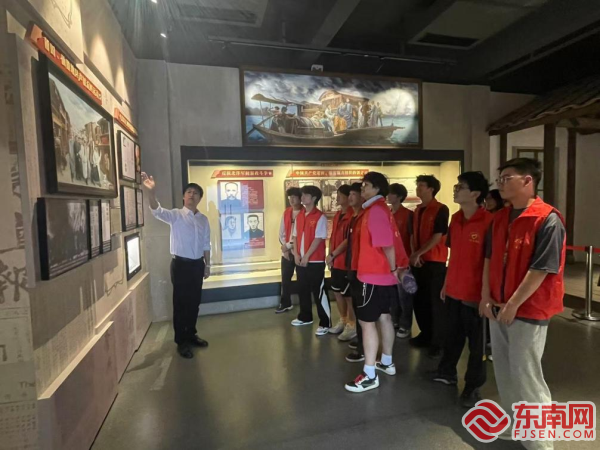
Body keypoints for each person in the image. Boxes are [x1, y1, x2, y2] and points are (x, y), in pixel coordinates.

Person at [481, 158, 565, 448]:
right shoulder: (499, 218)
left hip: (528, 309)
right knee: (505, 371)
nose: (501, 184)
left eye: (507, 178)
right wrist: (485, 296)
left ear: (528, 181)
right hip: (498, 305)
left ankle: (540, 440)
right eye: (500, 179)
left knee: (526, 373)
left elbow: (541, 269)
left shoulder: (547, 219)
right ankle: (515, 422)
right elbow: (489, 259)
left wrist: (514, 304)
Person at [431, 172, 492, 408]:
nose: (456, 189)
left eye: (461, 186)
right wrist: (446, 283)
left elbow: (491, 261)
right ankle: (446, 372)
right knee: (452, 335)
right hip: (454, 288)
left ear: (475, 194)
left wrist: (486, 295)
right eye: (456, 185)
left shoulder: (489, 222)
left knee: (477, 344)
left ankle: (473, 385)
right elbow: (453, 254)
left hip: (475, 294)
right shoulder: (456, 219)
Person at [345, 172, 409, 393]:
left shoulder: (375, 211)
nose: (362, 189)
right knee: (384, 317)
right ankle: (387, 362)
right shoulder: (378, 209)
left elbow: (387, 244)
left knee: (367, 323)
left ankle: (370, 374)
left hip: (372, 276)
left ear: (378, 188)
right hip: (380, 276)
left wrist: (392, 269)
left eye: (366, 185)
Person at [142, 172, 211, 359]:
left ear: (200, 198)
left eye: (195, 193)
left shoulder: (203, 219)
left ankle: (191, 334)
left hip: (197, 265)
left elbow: (206, 243)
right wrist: (151, 193)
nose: (192, 195)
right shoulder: (175, 215)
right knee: (181, 304)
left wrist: (207, 265)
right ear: (183, 197)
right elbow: (157, 211)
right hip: (181, 265)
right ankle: (181, 341)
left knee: (194, 303)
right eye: (189, 192)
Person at [409, 175, 449, 359]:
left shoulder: (440, 209)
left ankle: (438, 342)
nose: (418, 188)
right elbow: (412, 234)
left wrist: (419, 253)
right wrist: (414, 254)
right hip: (418, 262)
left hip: (434, 262)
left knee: (435, 303)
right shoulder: (417, 210)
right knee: (419, 301)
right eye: (417, 185)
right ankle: (425, 334)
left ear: (431, 189)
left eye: (422, 185)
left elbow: (438, 235)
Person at [291, 185, 332, 335]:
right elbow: (295, 236)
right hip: (300, 259)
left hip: (315, 261)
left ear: (314, 198)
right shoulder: (300, 215)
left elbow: (318, 238)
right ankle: (305, 316)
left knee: (318, 291)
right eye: (302, 195)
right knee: (302, 289)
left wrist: (307, 256)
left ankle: (325, 322)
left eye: (305, 195)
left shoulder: (320, 217)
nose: (302, 198)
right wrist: (296, 254)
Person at [326, 185, 357, 341]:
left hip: (346, 261)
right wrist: (329, 255)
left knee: (348, 296)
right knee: (337, 292)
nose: (337, 198)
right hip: (335, 261)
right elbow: (333, 236)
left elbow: (347, 240)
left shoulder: (352, 215)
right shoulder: (338, 214)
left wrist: (333, 254)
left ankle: (352, 324)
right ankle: (343, 320)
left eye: (340, 195)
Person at [387, 183, 414, 338]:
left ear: (399, 196)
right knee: (393, 295)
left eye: (391, 193)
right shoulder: (387, 214)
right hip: (390, 261)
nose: (388, 196)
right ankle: (395, 320)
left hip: (403, 261)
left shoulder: (408, 215)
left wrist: (411, 257)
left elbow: (411, 237)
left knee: (404, 295)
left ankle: (405, 324)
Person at [345, 183, 366, 363]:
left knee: (364, 311)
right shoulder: (354, 216)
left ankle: (364, 348)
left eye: (354, 194)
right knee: (357, 306)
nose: (350, 197)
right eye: (349, 194)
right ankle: (361, 340)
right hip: (353, 267)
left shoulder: (366, 216)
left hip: (363, 270)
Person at [276, 187, 304, 313]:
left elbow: (301, 236)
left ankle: (304, 306)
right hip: (287, 253)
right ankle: (285, 303)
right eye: (290, 197)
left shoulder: (304, 213)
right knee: (285, 279)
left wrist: (288, 246)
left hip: (299, 252)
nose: (291, 200)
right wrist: (285, 248)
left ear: (300, 198)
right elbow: (281, 233)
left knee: (302, 280)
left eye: (294, 197)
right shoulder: (287, 212)